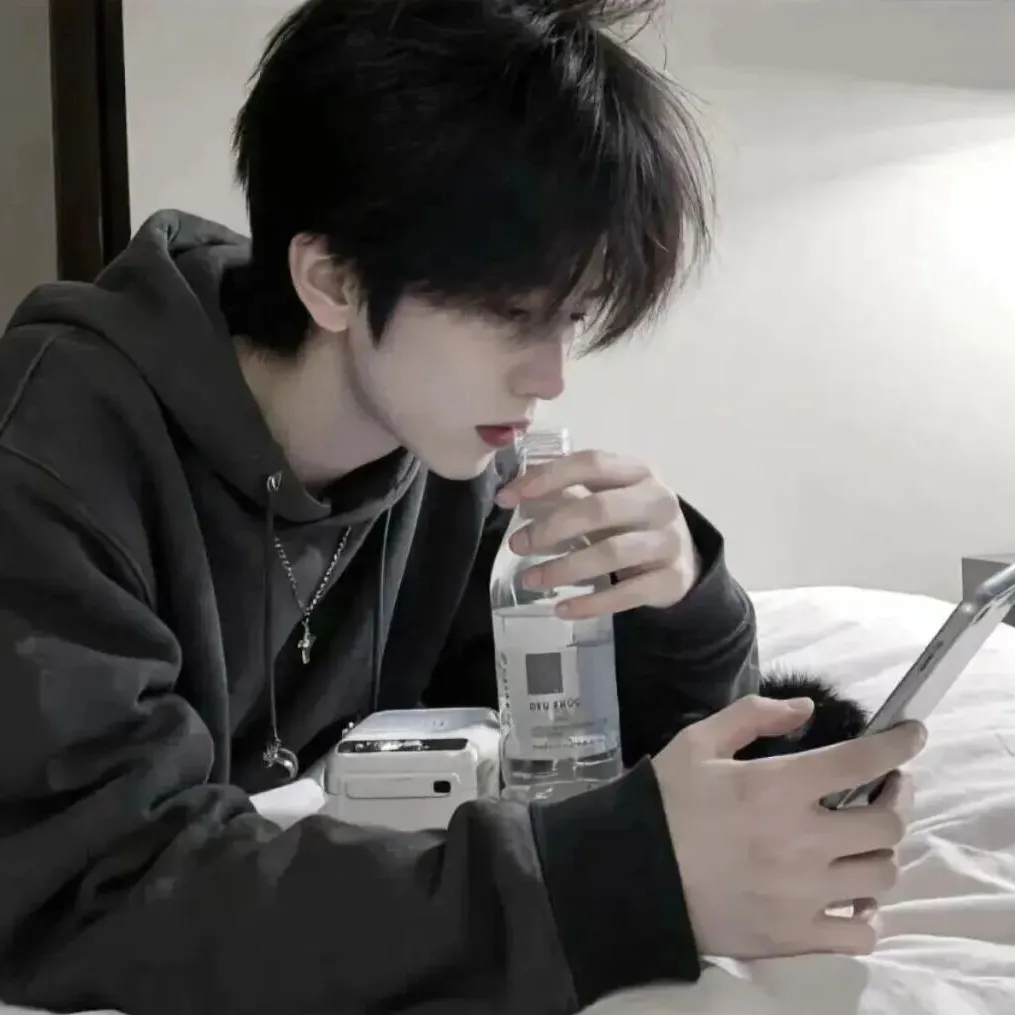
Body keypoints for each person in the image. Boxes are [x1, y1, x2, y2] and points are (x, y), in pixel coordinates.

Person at [0, 0, 925, 1012]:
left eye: (571, 317)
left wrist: (681, 598)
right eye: (511, 316)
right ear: (332, 280)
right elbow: (97, 891)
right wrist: (607, 889)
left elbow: (593, 753)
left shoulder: (445, 462)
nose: (550, 376)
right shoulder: (48, 458)